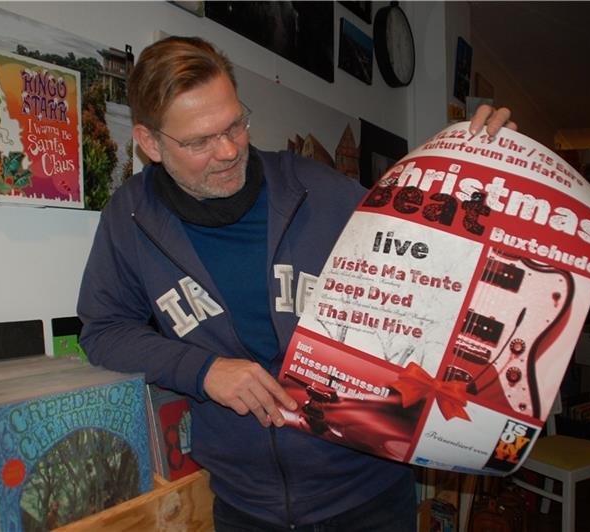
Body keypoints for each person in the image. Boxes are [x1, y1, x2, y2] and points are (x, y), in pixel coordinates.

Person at [77, 35, 516, 531]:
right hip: (244, 505)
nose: (227, 151)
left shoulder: (323, 192)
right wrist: (203, 370)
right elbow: (104, 331)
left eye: (235, 125)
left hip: (367, 494)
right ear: (151, 143)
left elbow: (439, 263)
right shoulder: (128, 217)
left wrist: (488, 168)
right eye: (200, 141)